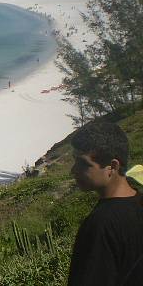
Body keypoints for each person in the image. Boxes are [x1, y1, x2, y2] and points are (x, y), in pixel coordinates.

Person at [68, 122, 143, 286]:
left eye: (83, 163)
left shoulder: (100, 226)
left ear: (112, 166)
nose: (73, 170)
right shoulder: (139, 202)